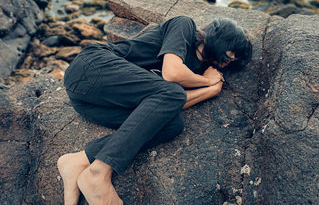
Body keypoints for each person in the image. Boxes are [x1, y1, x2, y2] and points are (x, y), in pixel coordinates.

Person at [57, 15, 252, 205]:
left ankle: (79, 161)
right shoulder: (185, 27)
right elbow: (172, 73)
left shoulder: (197, 71)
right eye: (232, 53)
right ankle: (98, 172)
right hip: (92, 67)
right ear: (221, 39)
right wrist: (207, 81)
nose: (230, 61)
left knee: (173, 123)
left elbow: (166, 105)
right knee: (173, 93)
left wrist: (210, 91)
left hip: (94, 104)